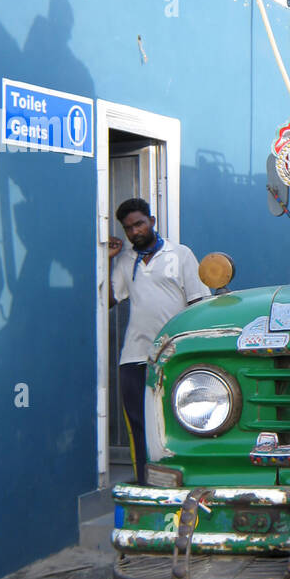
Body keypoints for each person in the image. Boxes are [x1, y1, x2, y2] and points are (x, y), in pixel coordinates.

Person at [108, 198, 208, 483]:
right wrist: (108, 260)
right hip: (134, 357)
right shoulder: (126, 261)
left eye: (139, 224)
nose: (134, 232)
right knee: (139, 425)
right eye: (128, 228)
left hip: (174, 355)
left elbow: (198, 302)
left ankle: (182, 481)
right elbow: (109, 301)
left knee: (179, 421)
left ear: (152, 221)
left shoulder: (180, 254)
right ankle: (144, 482)